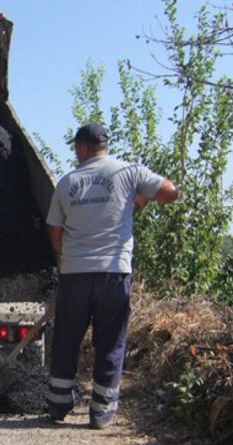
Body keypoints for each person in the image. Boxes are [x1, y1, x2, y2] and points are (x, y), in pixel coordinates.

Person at [44, 123, 181, 429]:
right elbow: (171, 193)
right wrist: (144, 198)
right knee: (110, 342)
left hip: (76, 275)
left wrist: (74, 256)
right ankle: (102, 411)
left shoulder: (67, 183)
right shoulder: (129, 173)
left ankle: (57, 404)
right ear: (104, 145)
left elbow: (55, 236)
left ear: (81, 148)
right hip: (114, 274)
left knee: (66, 339)